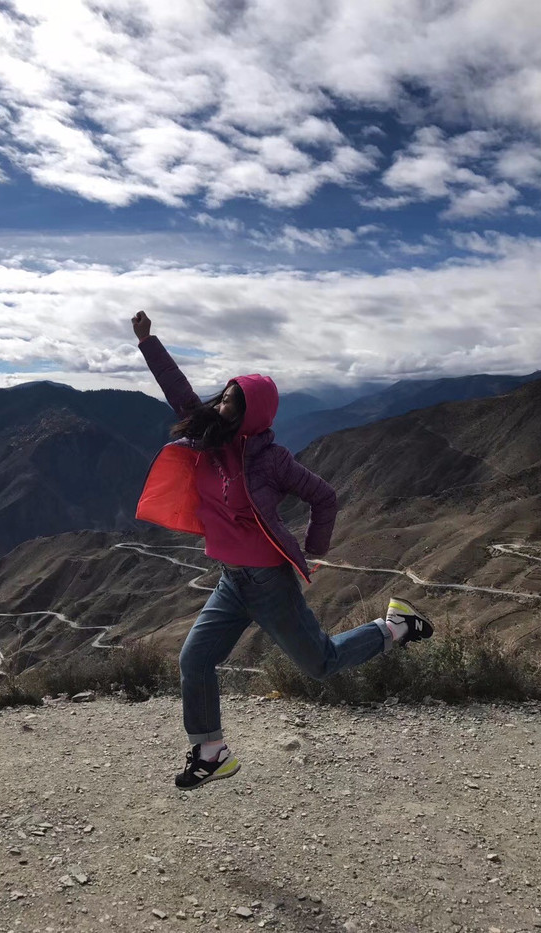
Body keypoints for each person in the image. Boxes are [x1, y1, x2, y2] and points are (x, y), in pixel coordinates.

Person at [131, 311, 433, 790]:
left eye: (235, 402)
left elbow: (324, 497)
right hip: (233, 579)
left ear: (255, 413)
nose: (224, 406)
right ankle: (212, 752)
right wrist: (149, 343)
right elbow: (180, 393)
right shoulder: (209, 440)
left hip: (269, 582)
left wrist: (311, 550)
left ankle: (396, 625)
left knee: (321, 665)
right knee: (194, 659)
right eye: (225, 396)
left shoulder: (273, 460)